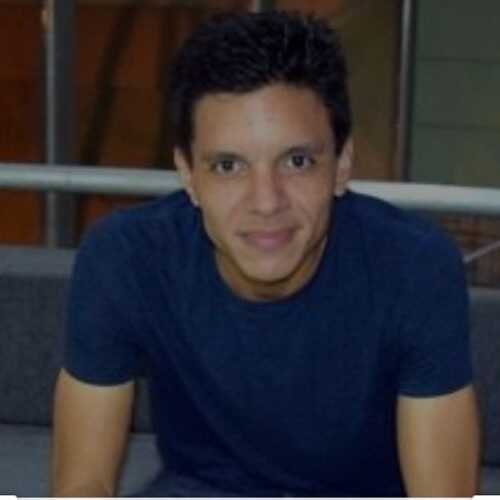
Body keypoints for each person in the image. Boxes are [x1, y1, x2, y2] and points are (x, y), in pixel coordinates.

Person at [51, 10, 480, 497]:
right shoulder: (128, 259)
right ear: (187, 173)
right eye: (228, 166)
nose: (266, 202)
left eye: (297, 161)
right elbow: (82, 485)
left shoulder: (414, 268)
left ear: (341, 164)